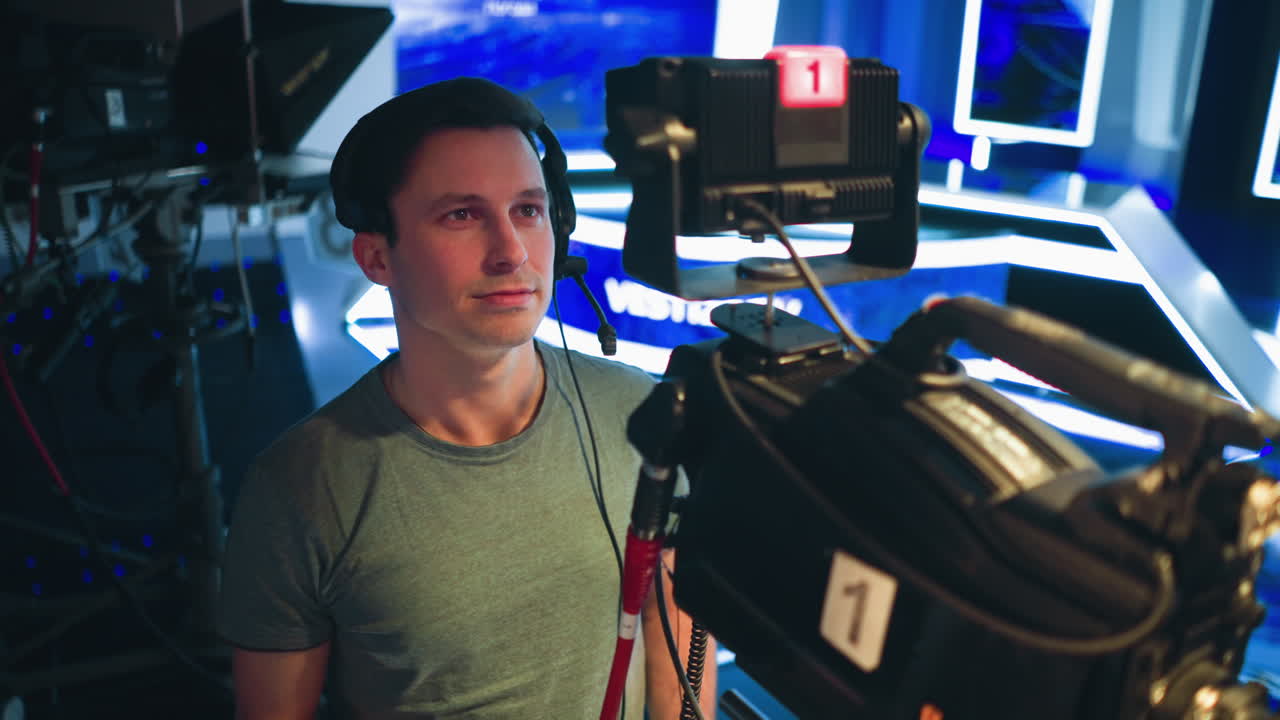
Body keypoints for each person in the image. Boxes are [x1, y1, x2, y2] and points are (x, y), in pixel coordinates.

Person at [215, 76, 716, 719]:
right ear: (376, 257)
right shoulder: (300, 484)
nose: (511, 253)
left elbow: (681, 683)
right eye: (462, 215)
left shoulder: (641, 418)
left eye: (529, 211)